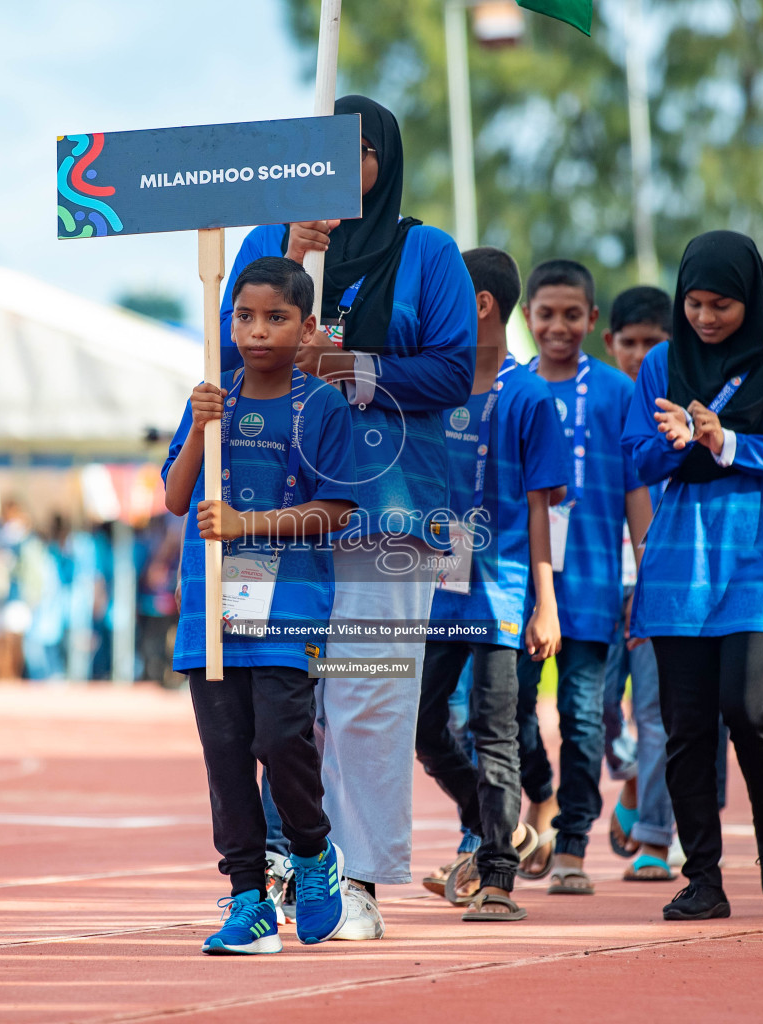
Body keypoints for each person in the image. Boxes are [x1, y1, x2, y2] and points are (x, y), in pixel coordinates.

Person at [220, 95, 475, 938]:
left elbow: (452, 370)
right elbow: (223, 360)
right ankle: (279, 871)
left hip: (386, 511)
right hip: (274, 517)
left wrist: (351, 365)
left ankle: (359, 878)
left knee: (367, 697)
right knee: (278, 704)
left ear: (384, 162)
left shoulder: (428, 253)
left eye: (356, 150)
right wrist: (290, 261)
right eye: (321, 150)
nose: (338, 165)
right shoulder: (264, 243)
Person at [622, 230, 763, 920]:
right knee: (685, 727)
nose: (705, 319)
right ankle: (702, 876)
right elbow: (636, 461)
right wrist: (671, 443)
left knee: (750, 707)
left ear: (752, 299)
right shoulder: (660, 362)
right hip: (682, 562)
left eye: (722, 305)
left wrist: (724, 440)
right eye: (695, 304)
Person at [164, 257, 355, 955]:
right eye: (245, 316)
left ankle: (312, 853)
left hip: (290, 609)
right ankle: (247, 900)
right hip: (211, 611)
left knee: (280, 740)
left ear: (307, 329)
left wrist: (250, 525)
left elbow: (335, 512)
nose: (258, 330)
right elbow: (177, 497)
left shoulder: (322, 405)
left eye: (276, 318)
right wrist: (196, 427)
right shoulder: (213, 401)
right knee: (224, 756)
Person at [415, 247, 569, 921]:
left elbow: (543, 505)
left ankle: (500, 878)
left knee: (493, 728)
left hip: (504, 593)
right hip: (435, 590)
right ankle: (495, 823)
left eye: (439, 297)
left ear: (478, 304)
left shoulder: (530, 396)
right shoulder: (430, 390)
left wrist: (547, 605)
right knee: (422, 724)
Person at [517, 260, 654, 895]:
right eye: (546, 314)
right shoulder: (513, 388)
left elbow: (637, 492)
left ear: (593, 321)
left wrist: (647, 573)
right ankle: (539, 795)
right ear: (526, 317)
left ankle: (572, 842)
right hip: (517, 585)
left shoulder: (617, 393)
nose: (558, 326)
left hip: (596, 584)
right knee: (505, 710)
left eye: (573, 314)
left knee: (584, 715)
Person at [600, 285, 678, 882]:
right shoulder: (597, 401)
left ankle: (655, 834)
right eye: (631, 343)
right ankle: (628, 776)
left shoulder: (683, 417)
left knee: (655, 712)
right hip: (596, 587)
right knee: (596, 707)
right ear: (611, 343)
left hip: (659, 585)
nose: (640, 354)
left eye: (654, 342)